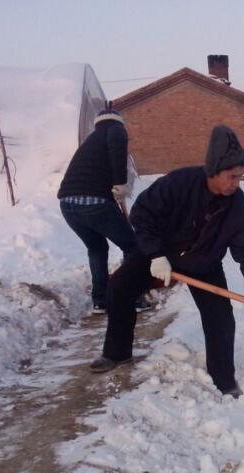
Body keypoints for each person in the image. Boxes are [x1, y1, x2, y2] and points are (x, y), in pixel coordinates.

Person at [90, 125, 244, 398]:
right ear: (214, 169)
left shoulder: (239, 207)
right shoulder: (179, 183)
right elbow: (142, 214)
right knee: (119, 286)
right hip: (159, 254)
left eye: (240, 177)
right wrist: (155, 254)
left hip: (204, 263)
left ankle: (223, 380)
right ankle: (117, 353)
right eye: (232, 177)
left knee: (220, 318)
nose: (236, 184)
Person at [57, 102, 149, 314]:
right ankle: (130, 297)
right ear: (118, 120)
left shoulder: (92, 139)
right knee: (133, 247)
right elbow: (117, 153)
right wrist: (119, 183)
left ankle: (100, 301)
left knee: (97, 249)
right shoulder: (116, 130)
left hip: (68, 206)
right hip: (94, 203)